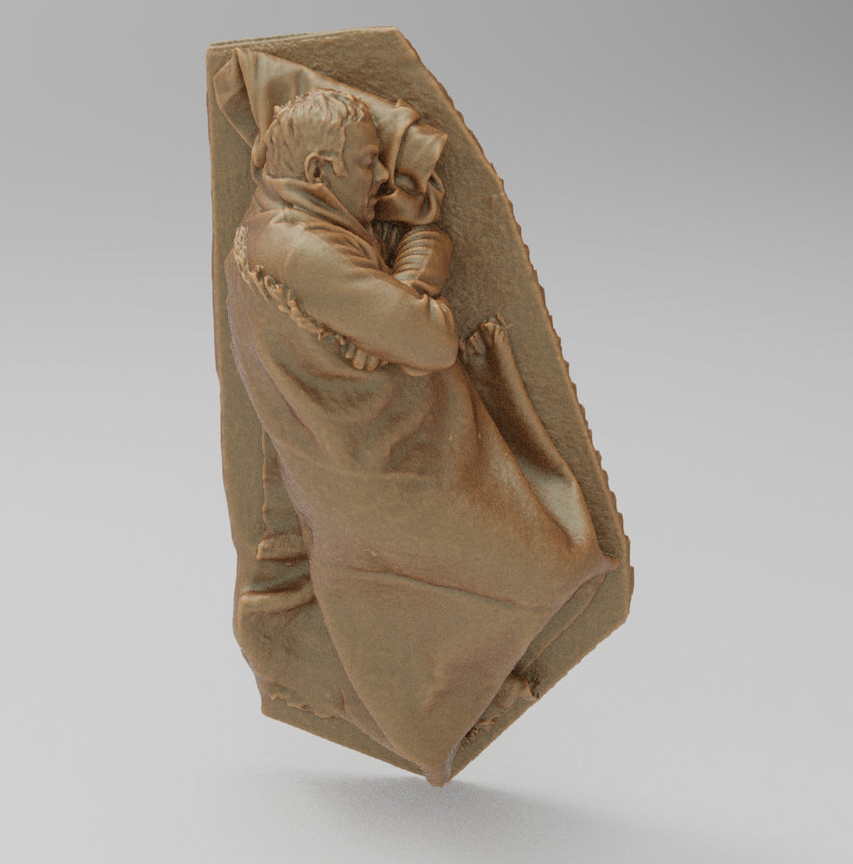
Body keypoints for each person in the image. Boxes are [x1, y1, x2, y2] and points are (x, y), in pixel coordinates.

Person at [225, 88, 614, 784]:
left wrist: (388, 297)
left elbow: (390, 316)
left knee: (538, 568)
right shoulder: (301, 250)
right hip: (385, 473)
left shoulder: (278, 225)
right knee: (550, 566)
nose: (382, 180)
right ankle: (430, 708)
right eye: (366, 164)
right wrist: (422, 263)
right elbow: (430, 340)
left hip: (381, 458)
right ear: (318, 171)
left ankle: (444, 697)